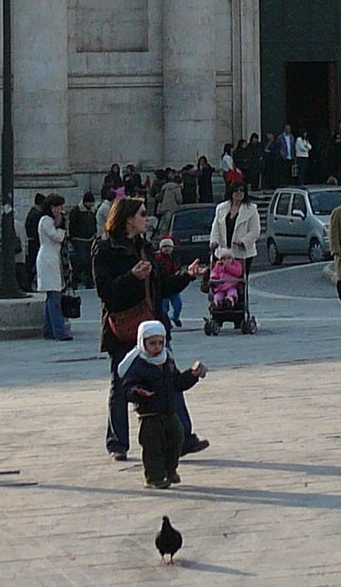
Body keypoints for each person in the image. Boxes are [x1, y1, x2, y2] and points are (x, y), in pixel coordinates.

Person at [92, 197, 203, 461]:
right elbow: (105, 292)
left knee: (170, 379)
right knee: (121, 384)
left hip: (153, 326)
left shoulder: (145, 247)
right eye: (142, 214)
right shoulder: (105, 248)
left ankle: (183, 438)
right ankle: (117, 443)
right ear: (128, 219)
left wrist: (186, 275)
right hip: (124, 328)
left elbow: (161, 286)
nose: (147, 218)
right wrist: (132, 277)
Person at [116, 320, 207, 489]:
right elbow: (127, 388)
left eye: (160, 342)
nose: (157, 347)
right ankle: (154, 477)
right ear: (142, 343)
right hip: (149, 415)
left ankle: (170, 470)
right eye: (152, 343)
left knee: (177, 438)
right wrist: (138, 392)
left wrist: (193, 375)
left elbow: (177, 383)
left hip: (169, 412)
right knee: (153, 447)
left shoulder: (167, 361)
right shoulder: (137, 365)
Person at [36, 195, 73, 340]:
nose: (60, 211)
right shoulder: (46, 221)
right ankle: (59, 332)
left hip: (53, 258)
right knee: (54, 297)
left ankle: (48, 331)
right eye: (57, 208)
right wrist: (61, 226)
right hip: (48, 259)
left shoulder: (51, 221)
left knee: (52, 297)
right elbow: (56, 236)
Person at [209, 181, 261, 273]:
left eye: (242, 190)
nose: (239, 193)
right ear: (231, 192)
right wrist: (214, 241)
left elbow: (255, 231)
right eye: (236, 190)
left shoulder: (252, 209)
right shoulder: (221, 208)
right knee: (222, 280)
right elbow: (215, 228)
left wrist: (243, 241)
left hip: (242, 253)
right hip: (223, 252)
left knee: (240, 281)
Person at [67, 191, 97, 289]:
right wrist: (71, 237)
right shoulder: (77, 211)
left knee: (89, 261)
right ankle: (75, 279)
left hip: (90, 238)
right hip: (78, 238)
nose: (91, 204)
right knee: (82, 260)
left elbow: (94, 223)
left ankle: (88, 281)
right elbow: (72, 224)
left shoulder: (92, 211)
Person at [154, 236, 186, 327]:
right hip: (163, 287)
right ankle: (166, 320)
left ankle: (175, 318)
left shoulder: (175, 258)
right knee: (164, 307)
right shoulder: (158, 259)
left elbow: (179, 267)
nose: (167, 249)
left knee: (178, 305)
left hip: (174, 286)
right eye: (164, 247)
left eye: (169, 246)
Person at [24, 191, 47, 288]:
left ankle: (28, 283)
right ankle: (28, 283)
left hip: (32, 241)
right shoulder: (36, 214)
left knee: (32, 264)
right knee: (33, 264)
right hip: (35, 243)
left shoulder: (32, 212)